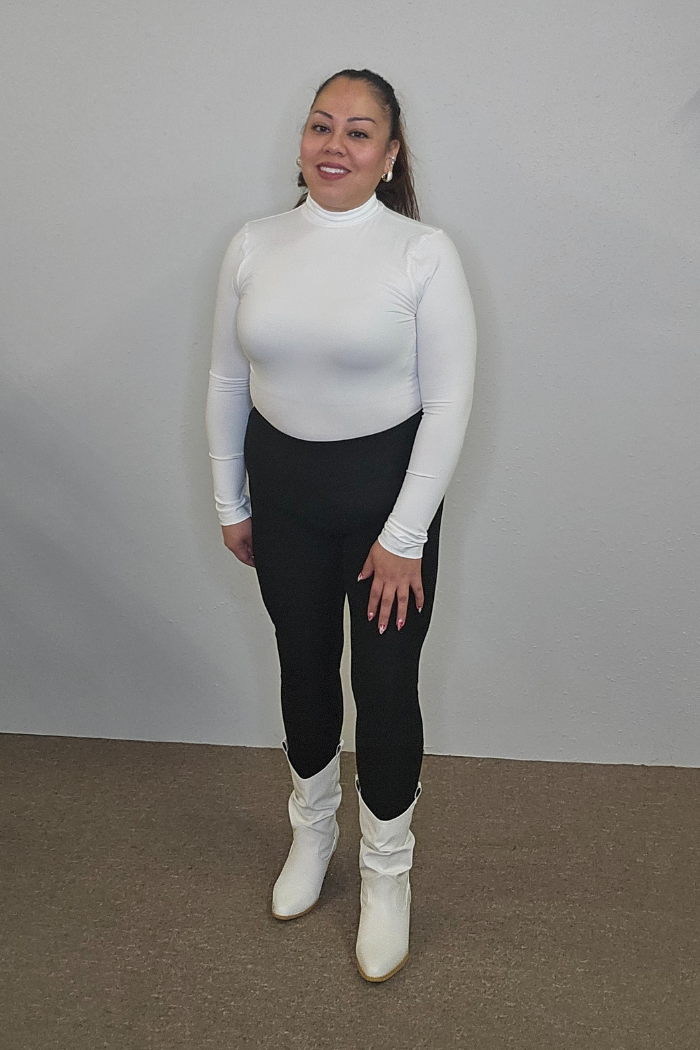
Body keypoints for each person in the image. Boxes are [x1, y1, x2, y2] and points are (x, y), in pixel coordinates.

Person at [205, 68, 477, 983]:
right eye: (321, 125)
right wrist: (231, 500)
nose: (335, 144)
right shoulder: (254, 243)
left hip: (386, 507)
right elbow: (226, 379)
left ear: (390, 155)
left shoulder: (422, 252)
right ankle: (313, 834)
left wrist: (405, 536)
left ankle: (387, 875)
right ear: (302, 142)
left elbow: (449, 403)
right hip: (284, 499)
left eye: (359, 132)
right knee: (303, 666)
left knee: (386, 688)